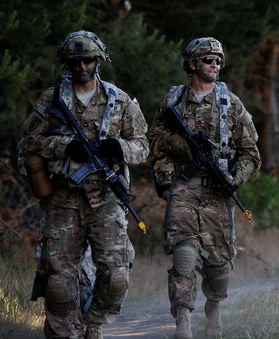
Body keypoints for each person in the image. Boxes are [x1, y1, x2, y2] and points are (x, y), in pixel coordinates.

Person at [20, 30, 149, 339]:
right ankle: (69, 332)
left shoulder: (119, 101)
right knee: (60, 283)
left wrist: (121, 149)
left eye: (88, 60)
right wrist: (64, 146)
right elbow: (30, 143)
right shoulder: (51, 100)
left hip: (105, 199)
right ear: (68, 62)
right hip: (64, 199)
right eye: (76, 61)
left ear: (99, 60)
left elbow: (143, 146)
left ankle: (94, 322)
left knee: (116, 276)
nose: (81, 66)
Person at [147, 37, 261, 339]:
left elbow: (251, 154)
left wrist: (234, 178)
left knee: (219, 267)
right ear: (193, 64)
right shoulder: (173, 101)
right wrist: (178, 143)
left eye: (219, 61)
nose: (215, 65)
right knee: (184, 256)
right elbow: (153, 140)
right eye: (209, 60)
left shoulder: (231, 105)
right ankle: (182, 322)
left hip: (218, 193)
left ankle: (214, 309)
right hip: (183, 188)